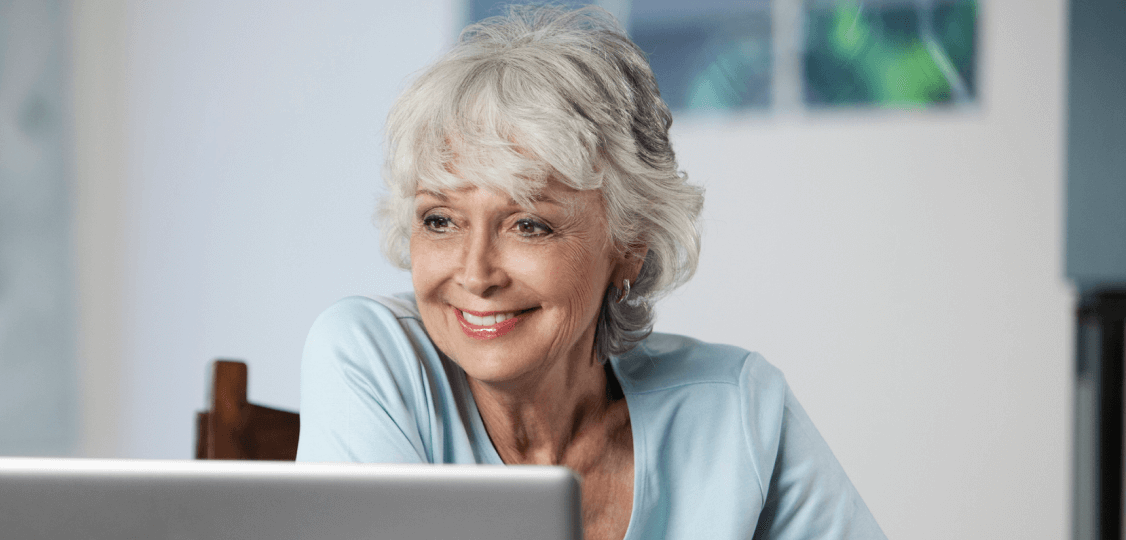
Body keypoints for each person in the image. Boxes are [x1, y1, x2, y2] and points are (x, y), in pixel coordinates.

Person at [296, 6, 886, 540]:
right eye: (441, 220)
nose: (475, 274)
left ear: (628, 245)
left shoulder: (736, 407)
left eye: (528, 225)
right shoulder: (369, 356)